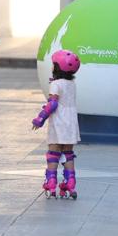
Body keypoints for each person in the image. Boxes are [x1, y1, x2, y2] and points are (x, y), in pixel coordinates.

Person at [32, 49, 81, 199]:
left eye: (54, 64)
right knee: (68, 153)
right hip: (71, 123)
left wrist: (40, 119)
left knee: (53, 153)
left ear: (57, 68)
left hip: (58, 123)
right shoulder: (71, 83)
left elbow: (52, 105)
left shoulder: (56, 84)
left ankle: (51, 182)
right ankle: (70, 183)